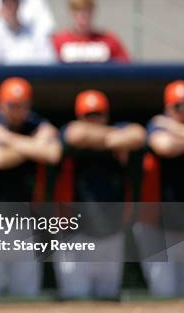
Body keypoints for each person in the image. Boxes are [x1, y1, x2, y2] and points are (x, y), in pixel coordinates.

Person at [53, 90, 145, 299]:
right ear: (80, 116)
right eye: (89, 115)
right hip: (74, 235)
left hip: (111, 233)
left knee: (109, 299)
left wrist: (105, 138)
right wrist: (113, 139)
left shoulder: (120, 131)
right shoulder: (72, 132)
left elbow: (138, 135)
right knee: (75, 301)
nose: (94, 119)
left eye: (99, 114)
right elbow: (77, 134)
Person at [0, 77, 61, 298]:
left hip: (27, 219)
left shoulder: (30, 123)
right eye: (11, 105)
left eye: (21, 105)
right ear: (1, 103)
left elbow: (53, 153)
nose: (17, 110)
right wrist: (33, 147)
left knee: (26, 291)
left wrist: (5, 138)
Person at [133, 80, 184, 297]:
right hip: (155, 224)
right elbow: (166, 146)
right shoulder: (156, 126)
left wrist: (179, 129)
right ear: (168, 108)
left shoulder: (174, 126)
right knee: (164, 292)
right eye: (178, 106)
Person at [53, 0, 129, 64]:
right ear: (71, 12)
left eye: (86, 10)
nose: (82, 15)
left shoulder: (109, 40)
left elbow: (126, 68)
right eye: (77, 10)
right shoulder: (58, 41)